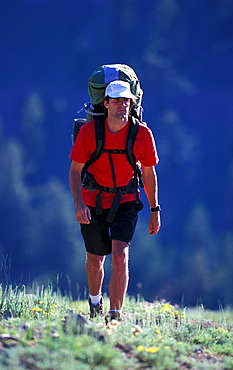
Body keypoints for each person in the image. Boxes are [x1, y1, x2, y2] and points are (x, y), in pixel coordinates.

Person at [69, 79, 161, 321]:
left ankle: (115, 315)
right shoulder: (90, 132)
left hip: (126, 199)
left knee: (120, 256)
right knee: (95, 258)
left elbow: (150, 173)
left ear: (132, 103)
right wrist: (79, 204)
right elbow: (75, 171)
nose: (123, 104)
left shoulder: (142, 134)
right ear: (106, 103)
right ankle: (95, 302)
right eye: (118, 100)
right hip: (93, 200)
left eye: (127, 100)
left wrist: (155, 209)